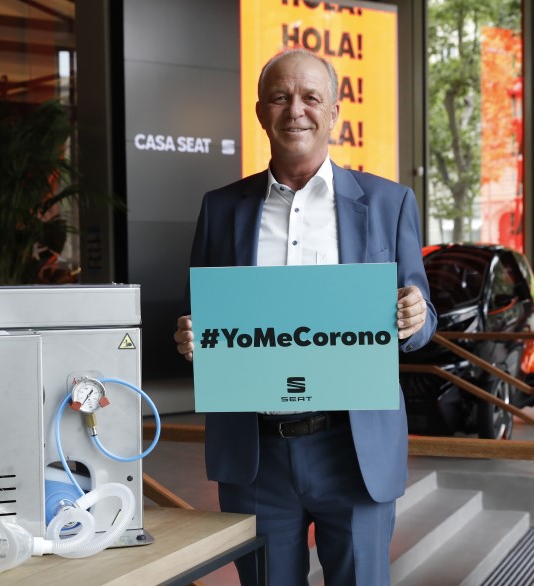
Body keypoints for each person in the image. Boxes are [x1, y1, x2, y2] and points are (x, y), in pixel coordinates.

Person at [174, 48, 437, 585]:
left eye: (311, 97)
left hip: (354, 448)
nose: (296, 109)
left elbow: (424, 317)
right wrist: (191, 336)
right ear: (260, 112)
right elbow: (198, 314)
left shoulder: (389, 203)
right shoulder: (220, 208)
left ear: (334, 111)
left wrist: (415, 318)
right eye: (280, 97)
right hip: (256, 454)